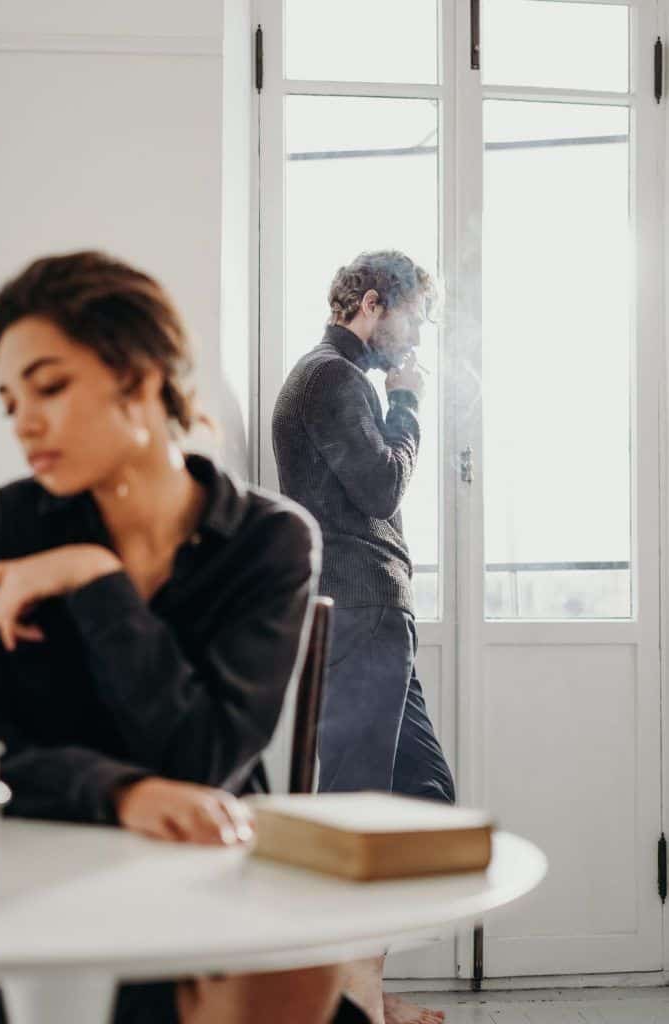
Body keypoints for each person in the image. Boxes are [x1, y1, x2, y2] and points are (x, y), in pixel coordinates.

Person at [0, 251, 367, 1024]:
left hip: (208, 883)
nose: (24, 421)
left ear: (142, 380)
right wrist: (120, 791)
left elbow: (203, 761)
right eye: (9, 399)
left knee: (293, 985)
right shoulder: (17, 520)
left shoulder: (270, 540)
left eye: (49, 387)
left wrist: (94, 578)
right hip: (44, 878)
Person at [272, 250, 455, 1024]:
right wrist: (407, 403)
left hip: (370, 611)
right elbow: (380, 486)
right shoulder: (332, 376)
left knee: (424, 796)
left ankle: (359, 990)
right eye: (414, 317)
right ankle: (343, 1004)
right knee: (357, 815)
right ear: (373, 303)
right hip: (361, 611)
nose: (415, 337)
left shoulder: (333, 377)